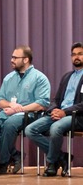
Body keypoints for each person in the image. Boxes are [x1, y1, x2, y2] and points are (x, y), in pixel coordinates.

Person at [0, 45, 51, 174]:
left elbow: (42, 104)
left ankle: (3, 161)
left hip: (30, 115)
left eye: (15, 57)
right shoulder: (9, 78)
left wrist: (20, 109)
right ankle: (14, 154)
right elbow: (0, 101)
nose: (11, 60)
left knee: (9, 125)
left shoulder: (40, 78)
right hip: (8, 113)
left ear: (25, 60)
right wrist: (11, 105)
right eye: (12, 57)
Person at [25, 42, 83, 177]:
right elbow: (56, 99)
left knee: (55, 128)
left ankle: (51, 163)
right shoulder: (67, 76)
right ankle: (61, 157)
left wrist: (65, 112)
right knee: (30, 129)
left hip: (76, 116)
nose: (76, 57)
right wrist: (53, 110)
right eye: (74, 54)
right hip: (59, 114)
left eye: (80, 54)